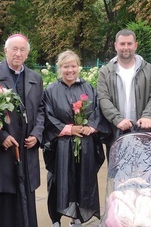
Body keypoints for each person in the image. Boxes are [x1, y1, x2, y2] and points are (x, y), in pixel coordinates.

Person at [0, 33, 45, 227]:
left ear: (27, 53)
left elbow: (41, 110)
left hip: (27, 147)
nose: (18, 53)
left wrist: (37, 134)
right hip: (3, 150)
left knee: (26, 195)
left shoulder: (35, 78)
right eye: (14, 49)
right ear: (6, 50)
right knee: (3, 198)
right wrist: (0, 136)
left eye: (22, 49)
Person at [42, 50, 110, 227]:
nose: (70, 70)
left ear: (78, 67)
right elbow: (47, 115)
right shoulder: (50, 90)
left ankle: (77, 217)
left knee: (82, 180)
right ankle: (55, 218)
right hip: (61, 145)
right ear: (60, 67)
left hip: (85, 144)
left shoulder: (88, 88)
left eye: (73, 66)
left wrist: (90, 127)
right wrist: (68, 129)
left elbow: (97, 110)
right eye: (66, 66)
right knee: (59, 182)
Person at [97, 29, 151, 161]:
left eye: (129, 44)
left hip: (143, 133)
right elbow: (103, 99)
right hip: (116, 133)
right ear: (116, 46)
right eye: (122, 44)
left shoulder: (149, 70)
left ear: (135, 45)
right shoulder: (105, 72)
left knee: (143, 177)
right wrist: (118, 119)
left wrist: (147, 116)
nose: (126, 47)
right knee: (118, 178)